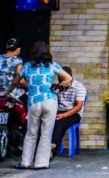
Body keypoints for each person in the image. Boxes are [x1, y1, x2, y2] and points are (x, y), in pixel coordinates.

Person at [18, 42, 71, 170]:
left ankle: (25, 162)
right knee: (46, 134)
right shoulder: (53, 66)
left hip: (33, 102)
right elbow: (68, 78)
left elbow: (17, 81)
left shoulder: (27, 66)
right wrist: (58, 86)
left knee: (31, 133)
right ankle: (41, 163)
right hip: (50, 101)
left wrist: (7, 91)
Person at [51, 66, 86, 154]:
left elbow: (79, 107)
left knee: (60, 121)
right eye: (59, 80)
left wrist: (63, 115)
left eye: (63, 80)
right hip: (59, 111)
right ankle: (48, 148)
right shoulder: (58, 86)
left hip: (74, 113)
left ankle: (52, 147)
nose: (61, 82)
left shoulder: (79, 87)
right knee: (47, 120)